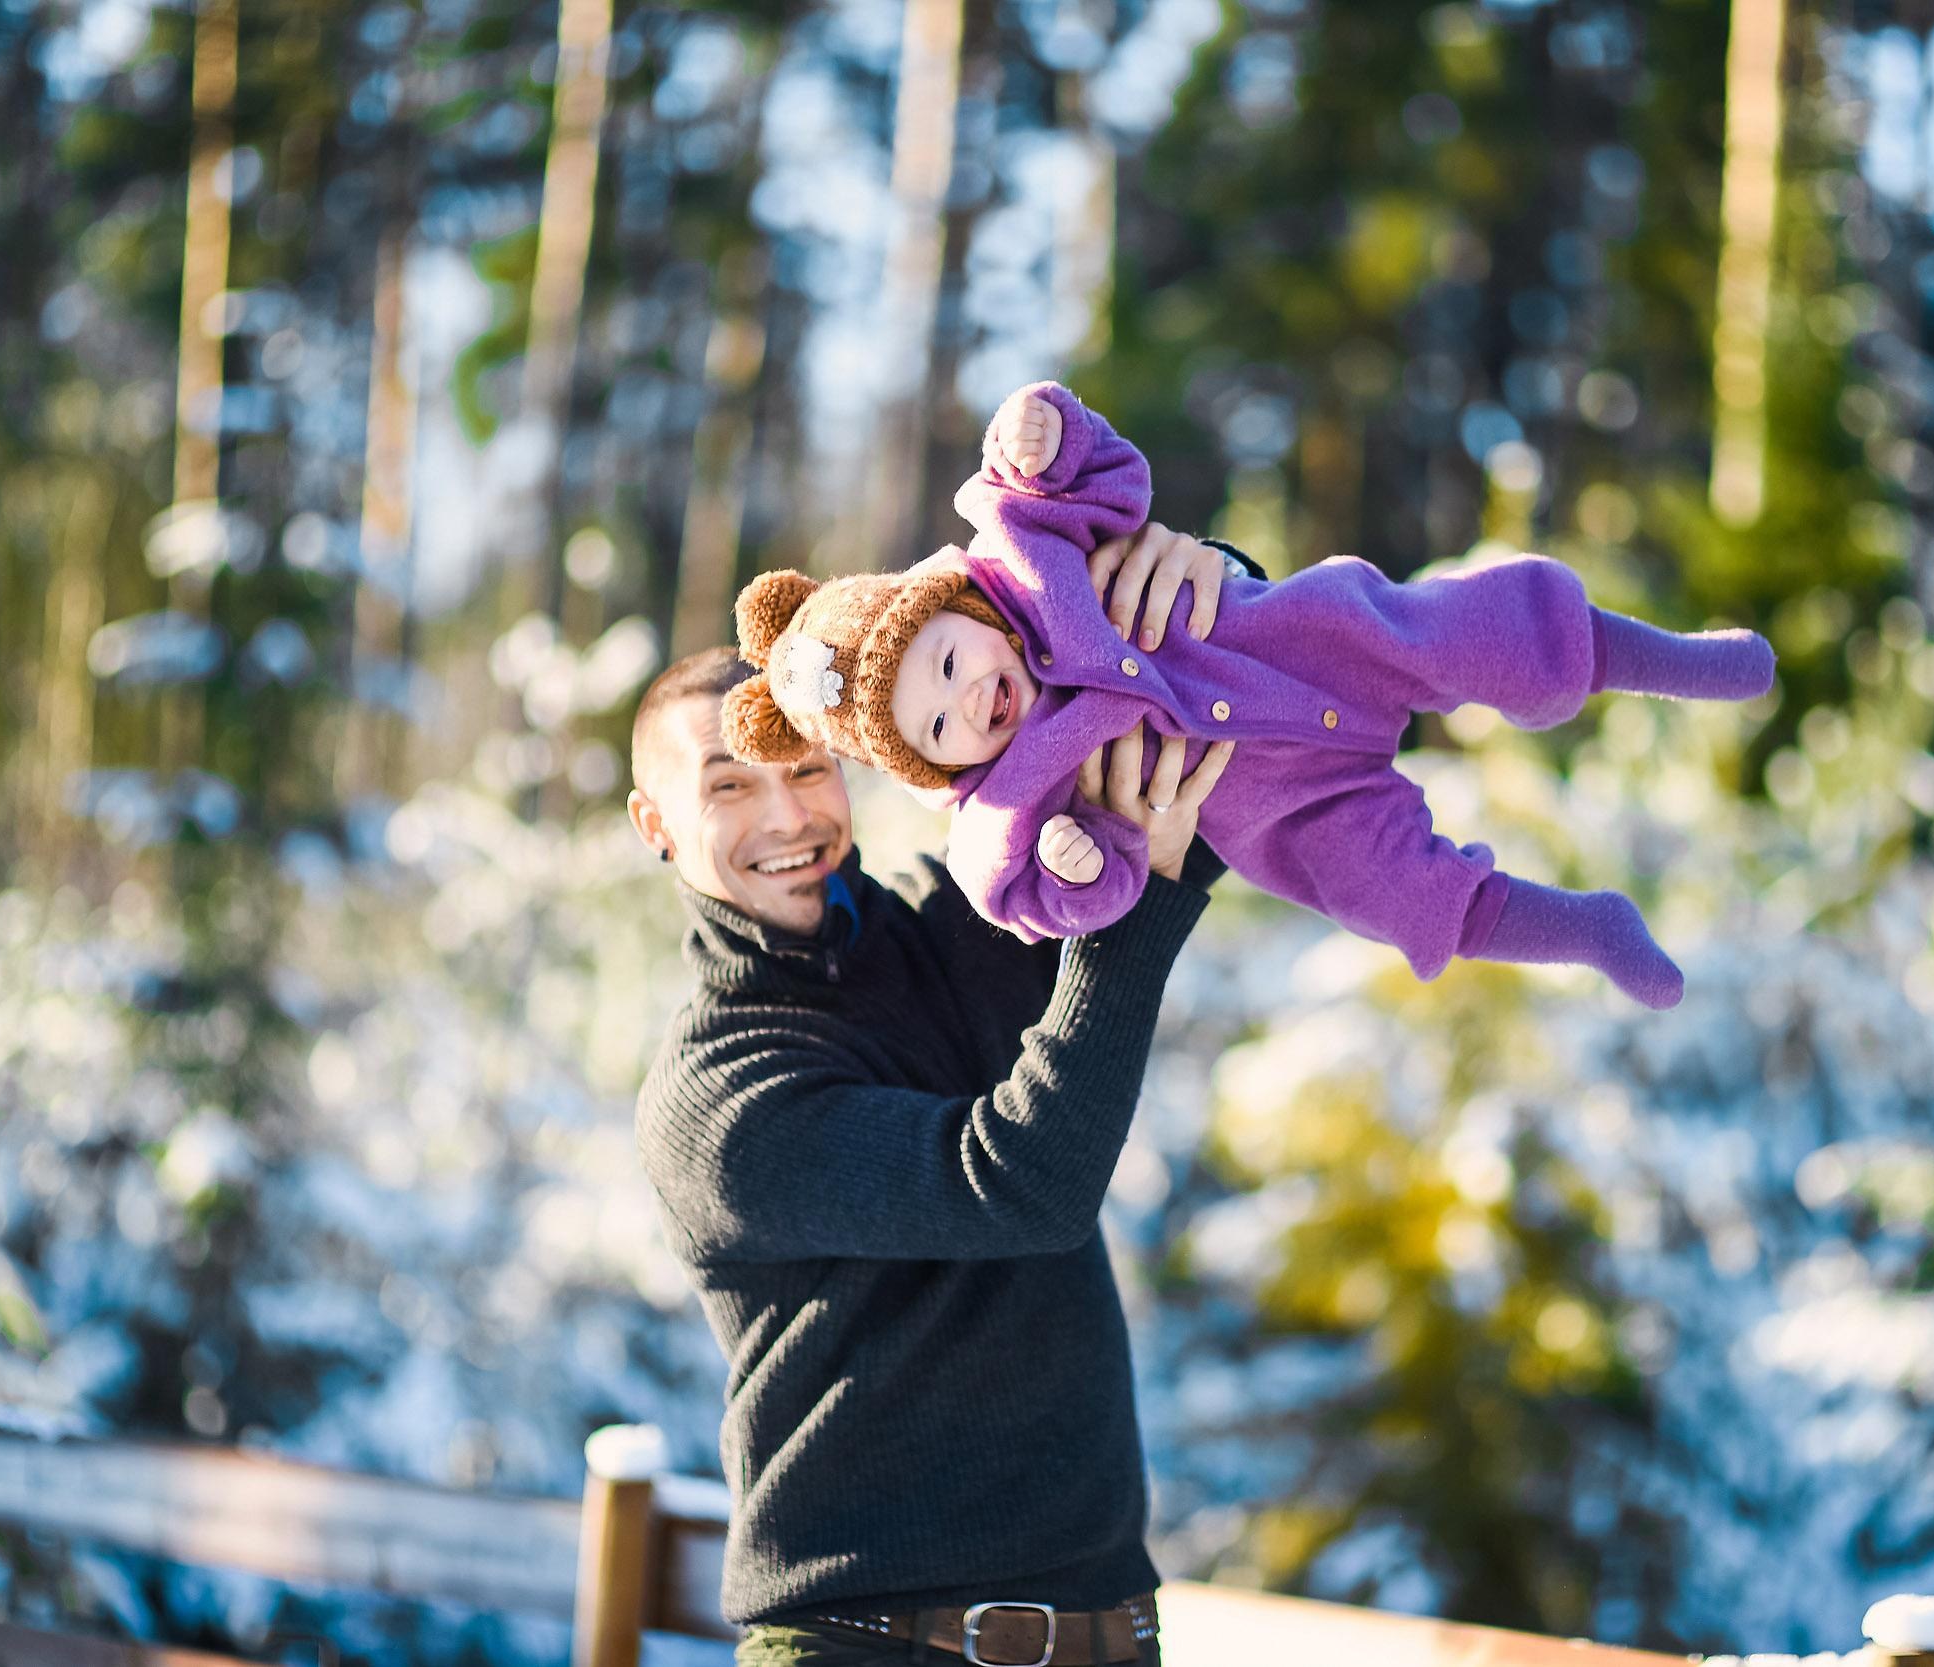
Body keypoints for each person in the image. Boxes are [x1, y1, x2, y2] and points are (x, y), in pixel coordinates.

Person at [623, 524, 1246, 1667]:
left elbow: (1179, 784)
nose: (785, 817)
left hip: (1108, 1631)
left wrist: (1210, 584)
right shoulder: (716, 1092)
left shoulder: (962, 917)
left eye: (805, 769)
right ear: (654, 823)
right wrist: (1136, 913)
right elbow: (1018, 1184)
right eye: (727, 786)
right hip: (866, 1640)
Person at [716, 382, 1778, 1012]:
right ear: (927, 765)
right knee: (1399, 897)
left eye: (949, 663)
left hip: (1305, 648)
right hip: (1283, 808)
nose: (969, 702)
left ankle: (1678, 662)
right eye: (937, 727)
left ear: (959, 605)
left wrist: (1040, 432)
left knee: (1477, 630)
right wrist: (1079, 864)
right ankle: (1587, 930)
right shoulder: (999, 810)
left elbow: (1093, 478)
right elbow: (1044, 898)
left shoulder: (1025, 552)